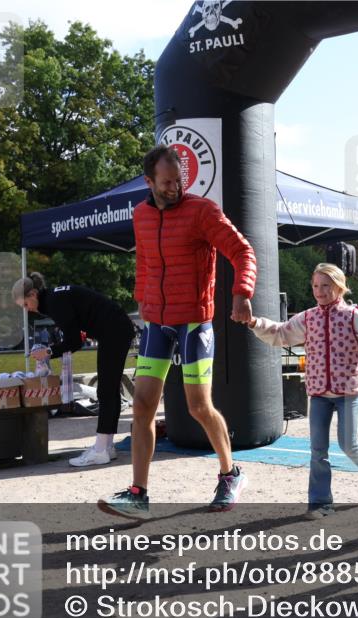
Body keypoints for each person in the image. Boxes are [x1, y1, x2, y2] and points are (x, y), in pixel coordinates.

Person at [100, 145, 257, 519]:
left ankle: (230, 473)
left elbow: (242, 252)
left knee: (198, 406)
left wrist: (241, 293)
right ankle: (139, 493)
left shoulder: (202, 211)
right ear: (149, 181)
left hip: (194, 323)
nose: (174, 188)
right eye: (167, 182)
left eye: (179, 180)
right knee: (141, 407)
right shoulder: (140, 215)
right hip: (156, 323)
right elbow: (144, 263)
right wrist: (143, 302)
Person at [248, 264, 358, 518]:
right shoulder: (308, 318)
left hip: (347, 391)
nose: (319, 291)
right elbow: (281, 333)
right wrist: (254, 322)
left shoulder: (353, 316)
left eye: (325, 286)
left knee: (349, 444)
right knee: (317, 450)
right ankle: (320, 502)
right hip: (319, 392)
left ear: (339, 287)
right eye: (316, 286)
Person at [13, 272, 136, 467]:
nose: (27, 310)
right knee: (109, 391)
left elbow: (74, 342)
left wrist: (48, 352)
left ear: (33, 294)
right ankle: (106, 446)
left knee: (106, 391)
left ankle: (101, 450)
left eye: (26, 305)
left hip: (113, 330)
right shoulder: (55, 297)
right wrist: (51, 351)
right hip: (116, 328)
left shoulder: (54, 303)